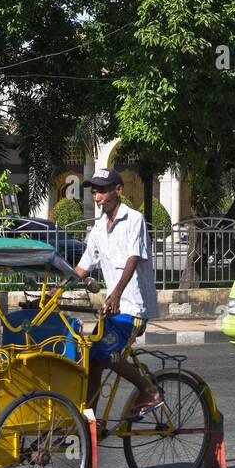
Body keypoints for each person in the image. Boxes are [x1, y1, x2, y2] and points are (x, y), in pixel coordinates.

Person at [70, 168, 161, 418]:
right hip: (114, 308)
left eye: (102, 190)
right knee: (92, 361)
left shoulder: (134, 219)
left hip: (133, 307)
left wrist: (117, 292)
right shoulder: (98, 228)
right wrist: (57, 289)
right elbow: (83, 266)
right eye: (94, 191)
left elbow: (133, 257)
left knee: (105, 353)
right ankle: (89, 422)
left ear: (118, 191)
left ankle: (149, 390)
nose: (97, 196)